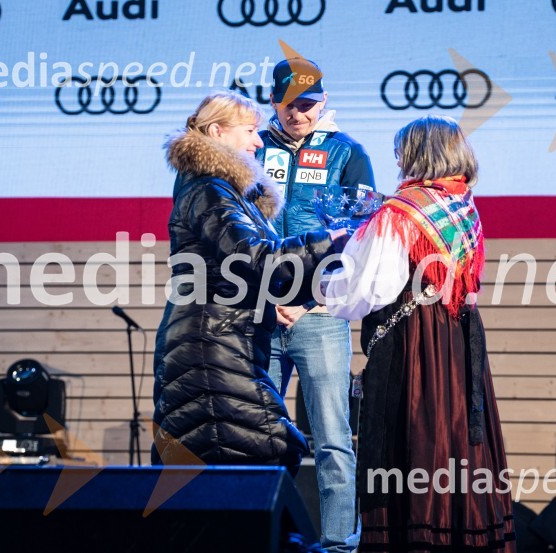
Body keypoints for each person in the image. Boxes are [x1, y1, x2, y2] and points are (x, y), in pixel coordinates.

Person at [325, 115, 517, 551]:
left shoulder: (401, 212)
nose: (396, 158)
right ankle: (460, 534)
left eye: (401, 150)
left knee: (416, 438)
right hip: (458, 342)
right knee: (457, 444)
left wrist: (321, 291)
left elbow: (366, 289)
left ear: (416, 153)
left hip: (416, 346)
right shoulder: (462, 203)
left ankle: (420, 536)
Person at [152, 91, 349, 475]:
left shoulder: (222, 190)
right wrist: (331, 242)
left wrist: (293, 295)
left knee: (247, 462)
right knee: (270, 452)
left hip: (222, 341)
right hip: (211, 347)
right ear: (217, 132)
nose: (259, 141)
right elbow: (255, 258)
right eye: (250, 130)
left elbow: (250, 268)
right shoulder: (210, 189)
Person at [256, 58, 375, 553]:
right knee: (255, 437)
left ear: (323, 102)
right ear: (274, 103)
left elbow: (362, 236)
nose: (298, 114)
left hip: (321, 317)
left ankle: (339, 545)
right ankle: (260, 536)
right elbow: (238, 232)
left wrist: (312, 302)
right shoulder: (252, 149)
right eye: (290, 105)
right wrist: (268, 298)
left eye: (308, 104)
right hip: (259, 316)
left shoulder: (348, 152)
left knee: (332, 439)